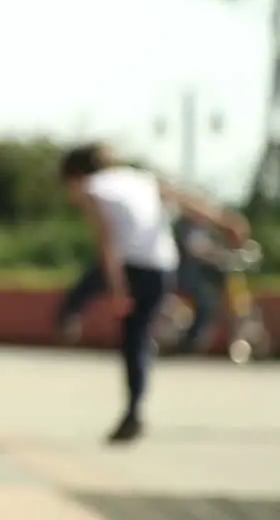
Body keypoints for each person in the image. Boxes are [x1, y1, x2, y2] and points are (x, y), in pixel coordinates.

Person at [59, 142, 249, 444]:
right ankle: (134, 409)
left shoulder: (93, 189)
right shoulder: (140, 178)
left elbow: (107, 243)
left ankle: (69, 315)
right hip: (162, 266)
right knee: (138, 338)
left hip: (131, 266)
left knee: (102, 298)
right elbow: (186, 201)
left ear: (76, 175)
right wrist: (227, 220)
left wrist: (118, 290)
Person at [170, 216, 227, 354]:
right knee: (205, 303)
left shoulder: (208, 231)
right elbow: (196, 249)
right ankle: (189, 341)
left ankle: (195, 339)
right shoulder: (185, 228)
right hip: (184, 277)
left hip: (201, 276)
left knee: (211, 302)